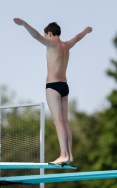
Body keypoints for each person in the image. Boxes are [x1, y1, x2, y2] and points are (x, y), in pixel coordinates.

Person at [13, 18, 92, 164]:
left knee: (58, 121)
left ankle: (63, 155)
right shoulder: (66, 45)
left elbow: (36, 35)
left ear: (49, 33)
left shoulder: (51, 43)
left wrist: (24, 24)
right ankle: (69, 155)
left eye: (46, 35)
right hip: (64, 86)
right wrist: (85, 31)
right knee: (65, 121)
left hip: (53, 86)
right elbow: (77, 38)